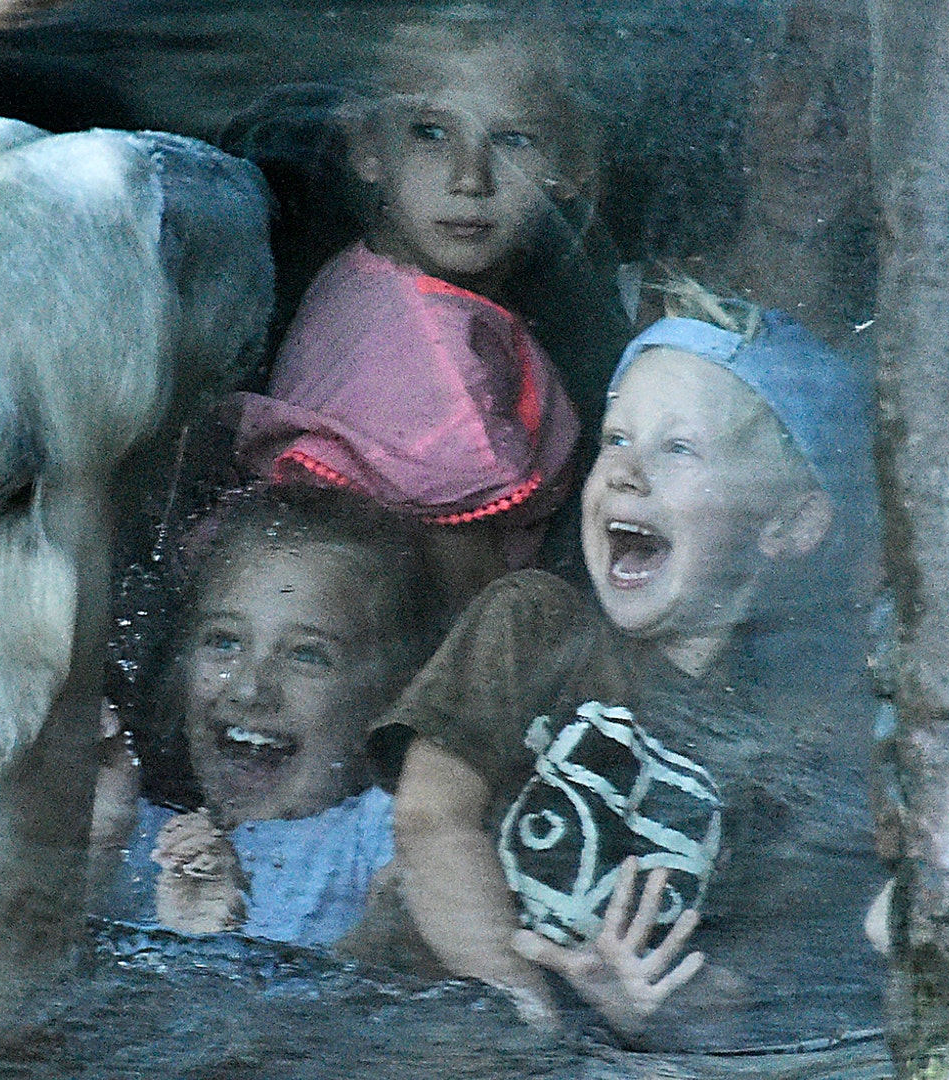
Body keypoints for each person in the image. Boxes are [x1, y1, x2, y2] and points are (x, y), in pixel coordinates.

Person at [362, 283, 888, 1050]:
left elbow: (742, 993)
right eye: (616, 439)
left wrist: (654, 1009)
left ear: (791, 523)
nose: (628, 474)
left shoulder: (799, 748)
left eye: (678, 449)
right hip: (404, 1008)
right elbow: (432, 818)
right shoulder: (535, 625)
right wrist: (525, 1009)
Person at [226, 9, 598, 608]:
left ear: (568, 168)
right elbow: (472, 613)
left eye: (511, 140)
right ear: (369, 150)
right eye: (430, 132)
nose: (470, 177)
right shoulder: (437, 356)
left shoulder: (371, 273)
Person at [90, 487, 439, 949]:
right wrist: (100, 841)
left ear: (386, 699)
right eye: (225, 641)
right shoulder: (141, 841)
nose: (250, 688)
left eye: (308, 655)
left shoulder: (382, 841)